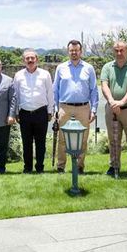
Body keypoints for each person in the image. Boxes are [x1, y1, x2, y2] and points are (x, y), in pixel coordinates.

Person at [53, 40, 98, 174]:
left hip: (83, 108)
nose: (74, 53)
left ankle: (79, 167)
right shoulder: (61, 68)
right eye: (71, 50)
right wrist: (55, 109)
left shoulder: (88, 68)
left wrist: (94, 109)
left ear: (81, 51)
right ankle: (60, 166)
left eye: (76, 50)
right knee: (62, 139)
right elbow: (55, 89)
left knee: (83, 138)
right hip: (64, 107)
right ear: (68, 52)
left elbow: (94, 90)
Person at [101, 41, 127, 179]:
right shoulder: (107, 67)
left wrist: (122, 102)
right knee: (113, 140)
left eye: (122, 50)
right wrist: (112, 102)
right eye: (116, 51)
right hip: (112, 109)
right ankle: (114, 166)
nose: (119, 53)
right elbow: (104, 85)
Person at [13, 49, 54, 173]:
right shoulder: (18, 75)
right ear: (24, 60)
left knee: (41, 143)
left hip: (41, 112)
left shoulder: (45, 74)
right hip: (24, 113)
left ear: (37, 59)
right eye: (27, 58)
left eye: (32, 58)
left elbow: (50, 93)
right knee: (27, 143)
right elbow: (16, 95)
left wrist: (50, 111)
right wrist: (16, 112)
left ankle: (40, 167)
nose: (30, 60)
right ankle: (27, 168)